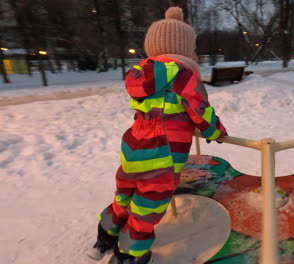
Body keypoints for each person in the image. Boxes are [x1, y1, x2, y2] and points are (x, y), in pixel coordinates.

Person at [87, 7, 227, 264]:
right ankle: (130, 254)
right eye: (192, 48)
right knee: (146, 208)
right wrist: (215, 131)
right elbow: (200, 110)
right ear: (185, 48)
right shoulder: (184, 75)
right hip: (163, 155)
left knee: (124, 196)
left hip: (133, 150)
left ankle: (104, 238)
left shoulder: (140, 76)